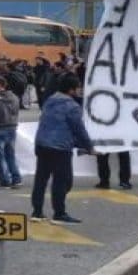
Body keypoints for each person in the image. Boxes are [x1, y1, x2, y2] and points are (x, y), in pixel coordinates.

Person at [31, 74, 95, 224]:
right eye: (78, 88)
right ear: (71, 90)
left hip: (42, 144)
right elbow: (79, 129)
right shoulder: (72, 106)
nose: (80, 90)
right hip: (60, 148)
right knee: (64, 181)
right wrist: (89, 147)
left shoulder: (49, 101)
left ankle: (37, 211)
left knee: (41, 180)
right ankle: (59, 212)